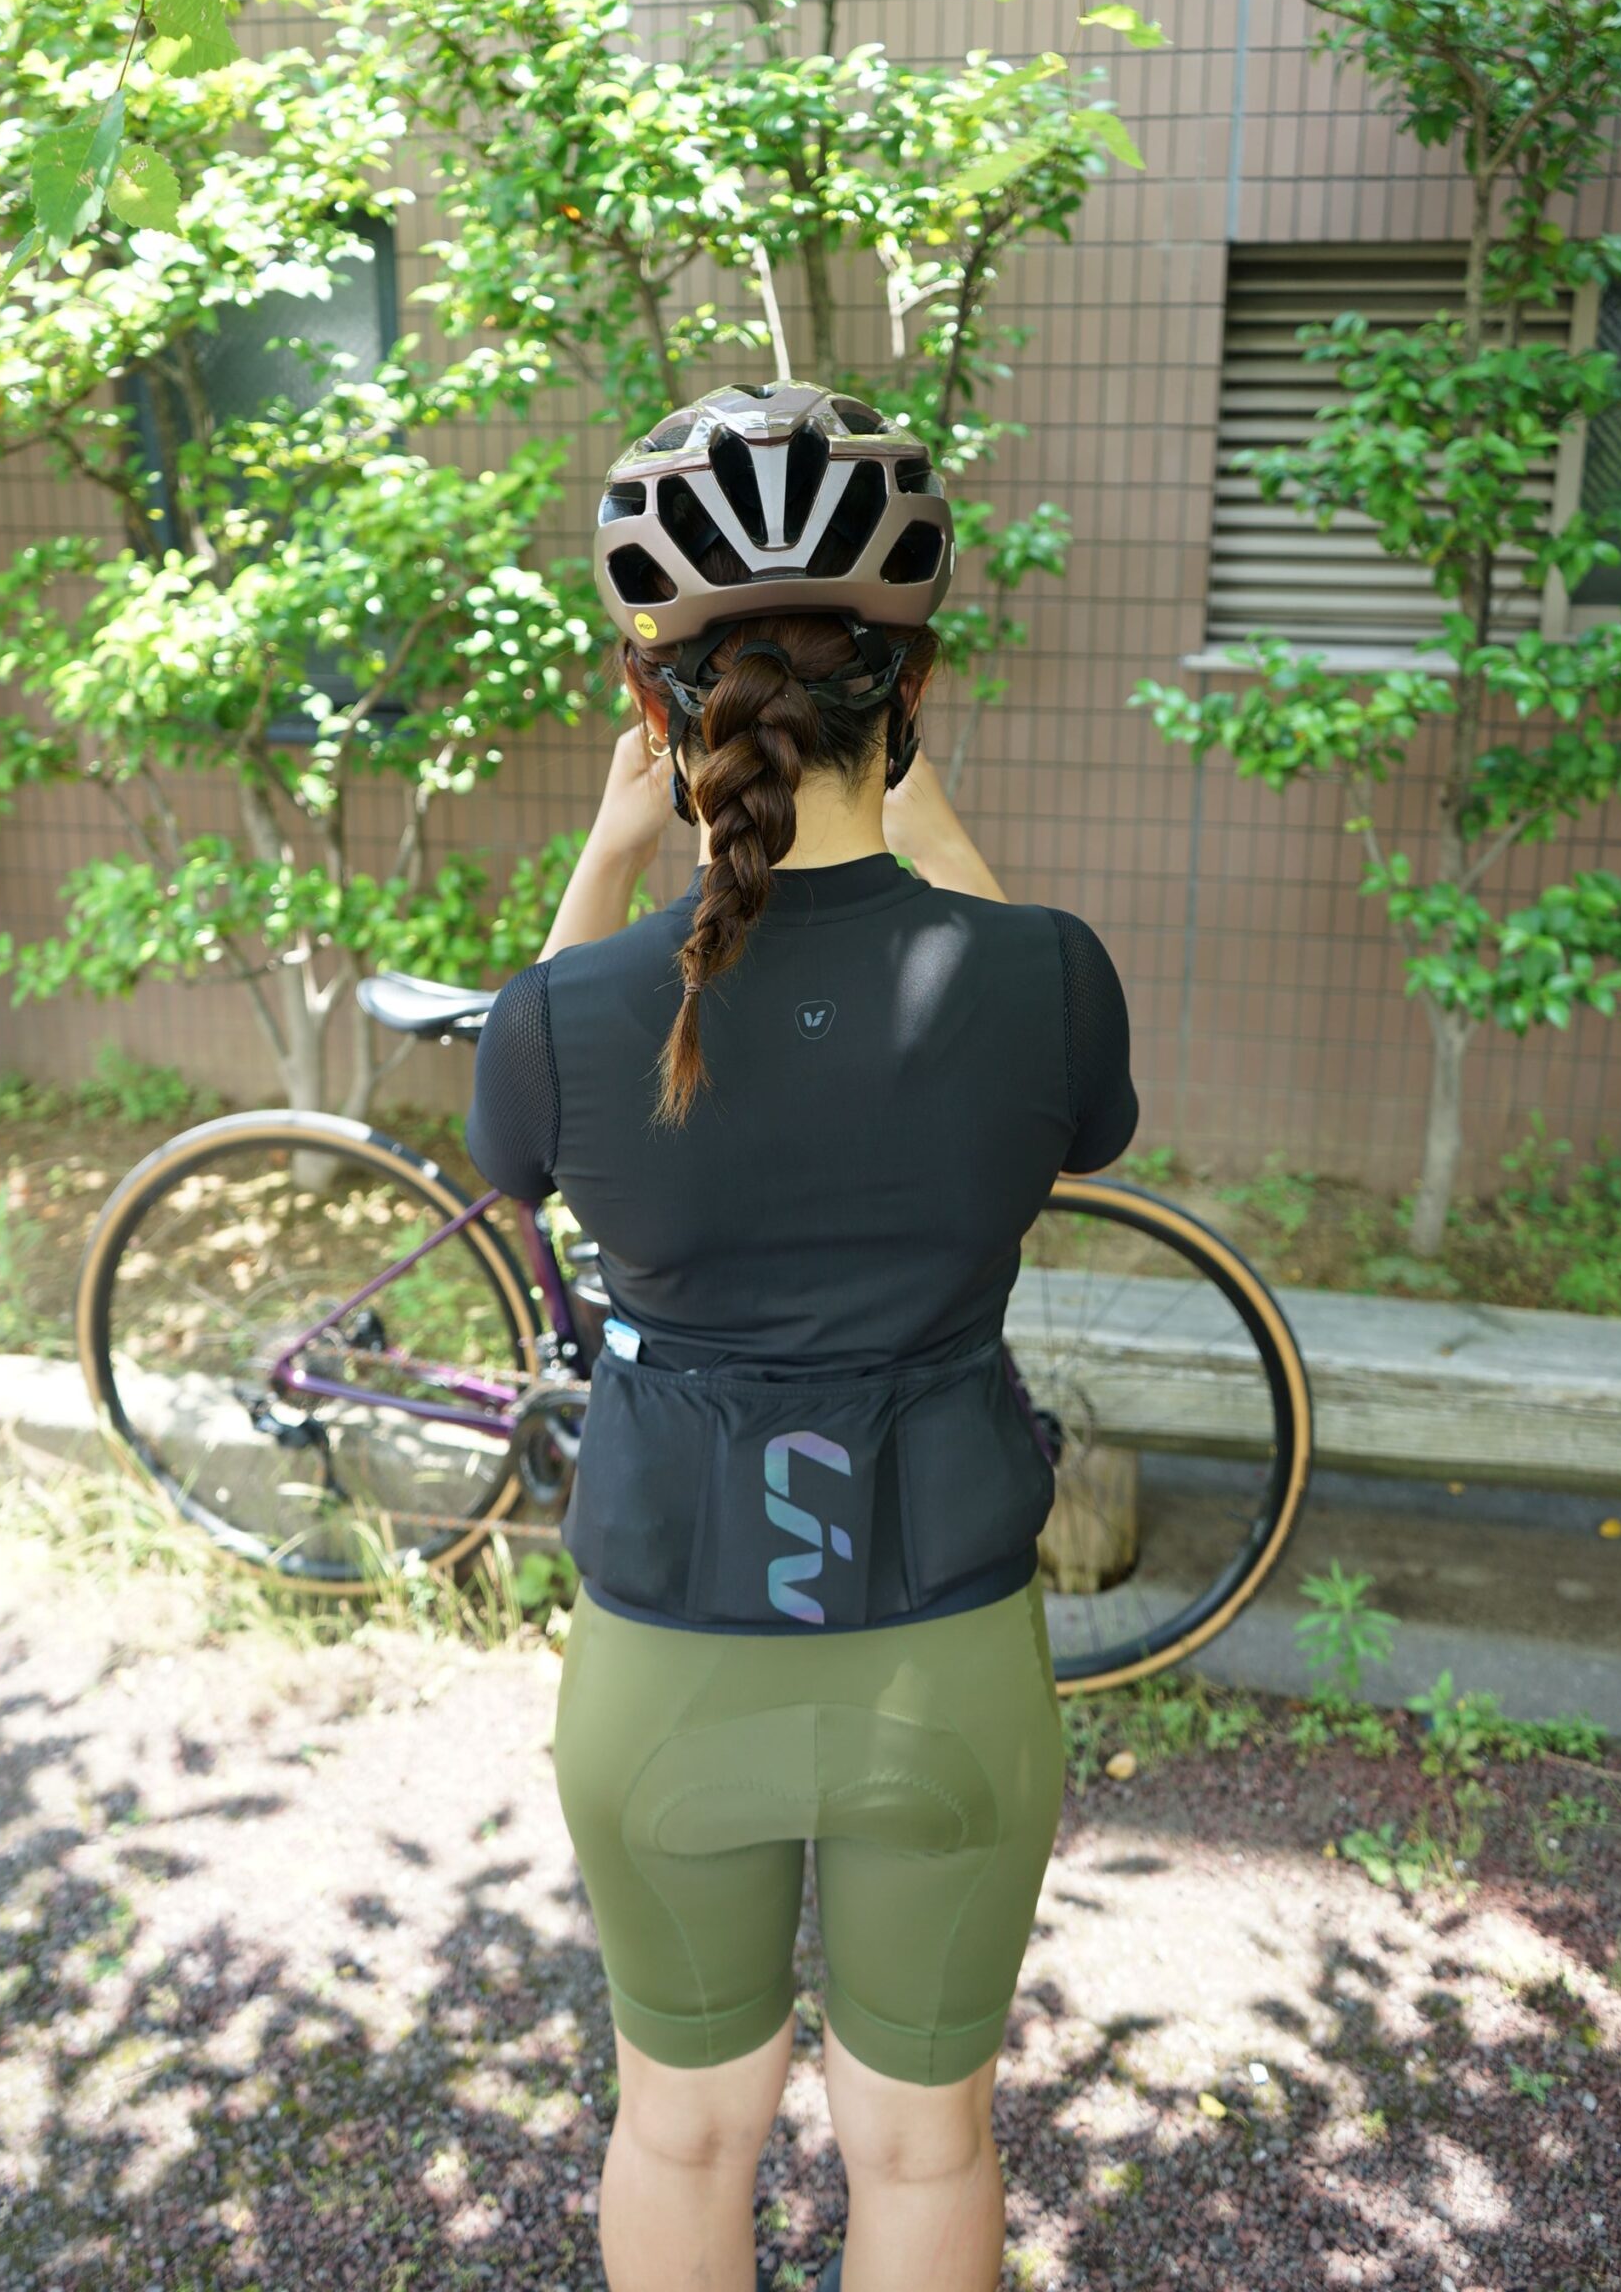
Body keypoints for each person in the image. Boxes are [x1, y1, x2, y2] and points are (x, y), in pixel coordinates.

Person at [467, 383, 1137, 2292]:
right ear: (910, 693)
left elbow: (525, 1131)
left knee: (683, 2130)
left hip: (669, 1659)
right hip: (945, 1654)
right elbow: (1058, 1089)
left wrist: (614, 852)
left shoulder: (568, 1014)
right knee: (924, 2148)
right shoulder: (1041, 975)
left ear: (655, 706)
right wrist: (917, 805)